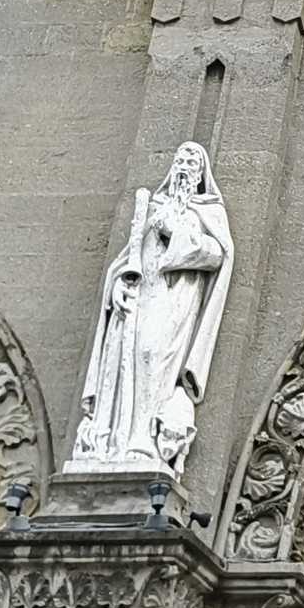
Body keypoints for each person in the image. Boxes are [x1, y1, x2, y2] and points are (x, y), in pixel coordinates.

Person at [71, 142, 234, 476]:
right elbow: (128, 257)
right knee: (123, 360)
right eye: (181, 159)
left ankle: (144, 439)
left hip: (175, 300)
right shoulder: (154, 206)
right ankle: (114, 440)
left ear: (202, 173)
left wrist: (175, 233)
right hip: (138, 298)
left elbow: (218, 254)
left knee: (151, 355)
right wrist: (117, 286)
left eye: (193, 160)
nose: (185, 165)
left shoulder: (205, 211)